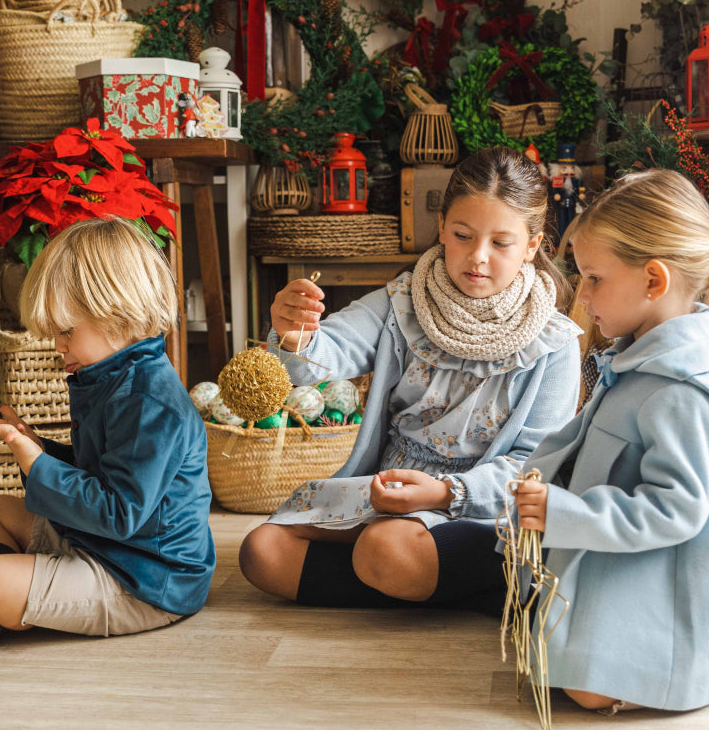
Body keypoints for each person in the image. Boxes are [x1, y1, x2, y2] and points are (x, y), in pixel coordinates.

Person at [239, 146, 582, 614]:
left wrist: (446, 494)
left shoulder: (553, 343)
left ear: (533, 246)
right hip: (389, 488)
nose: (477, 258)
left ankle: (409, 569)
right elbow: (321, 357)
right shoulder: (404, 301)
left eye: (501, 243)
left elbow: (535, 467)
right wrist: (295, 333)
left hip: (481, 507)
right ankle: (423, 584)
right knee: (261, 553)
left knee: (386, 547)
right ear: (441, 227)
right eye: (463, 235)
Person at [0, 217, 215, 652]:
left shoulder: (150, 402)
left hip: (146, 580)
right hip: (103, 546)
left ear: (120, 314)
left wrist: (30, 455)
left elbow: (120, 514)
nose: (57, 347)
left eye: (66, 332)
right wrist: (35, 443)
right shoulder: (110, 377)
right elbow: (100, 473)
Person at [513, 169, 709, 713]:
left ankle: (686, 665)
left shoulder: (681, 391)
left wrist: (564, 511)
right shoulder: (643, 357)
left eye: (593, 278)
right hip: (637, 557)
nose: (581, 297)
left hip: (682, 578)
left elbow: (675, 511)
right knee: (554, 653)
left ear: (653, 281)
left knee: (583, 689)